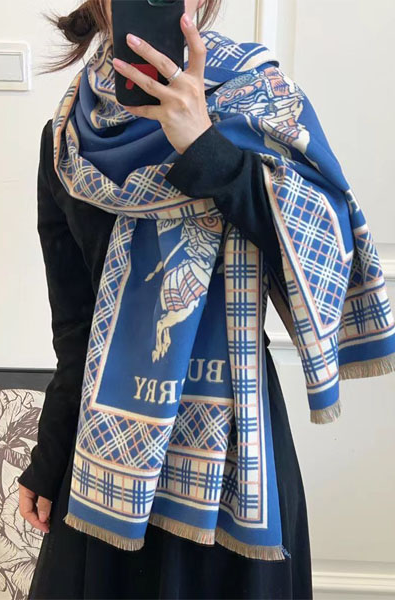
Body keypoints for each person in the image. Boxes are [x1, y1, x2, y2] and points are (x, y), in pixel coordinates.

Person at [17, 1, 314, 598]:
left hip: (233, 454)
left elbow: (313, 264)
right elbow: (76, 325)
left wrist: (206, 147)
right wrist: (49, 454)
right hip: (105, 453)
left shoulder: (260, 104)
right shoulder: (67, 141)